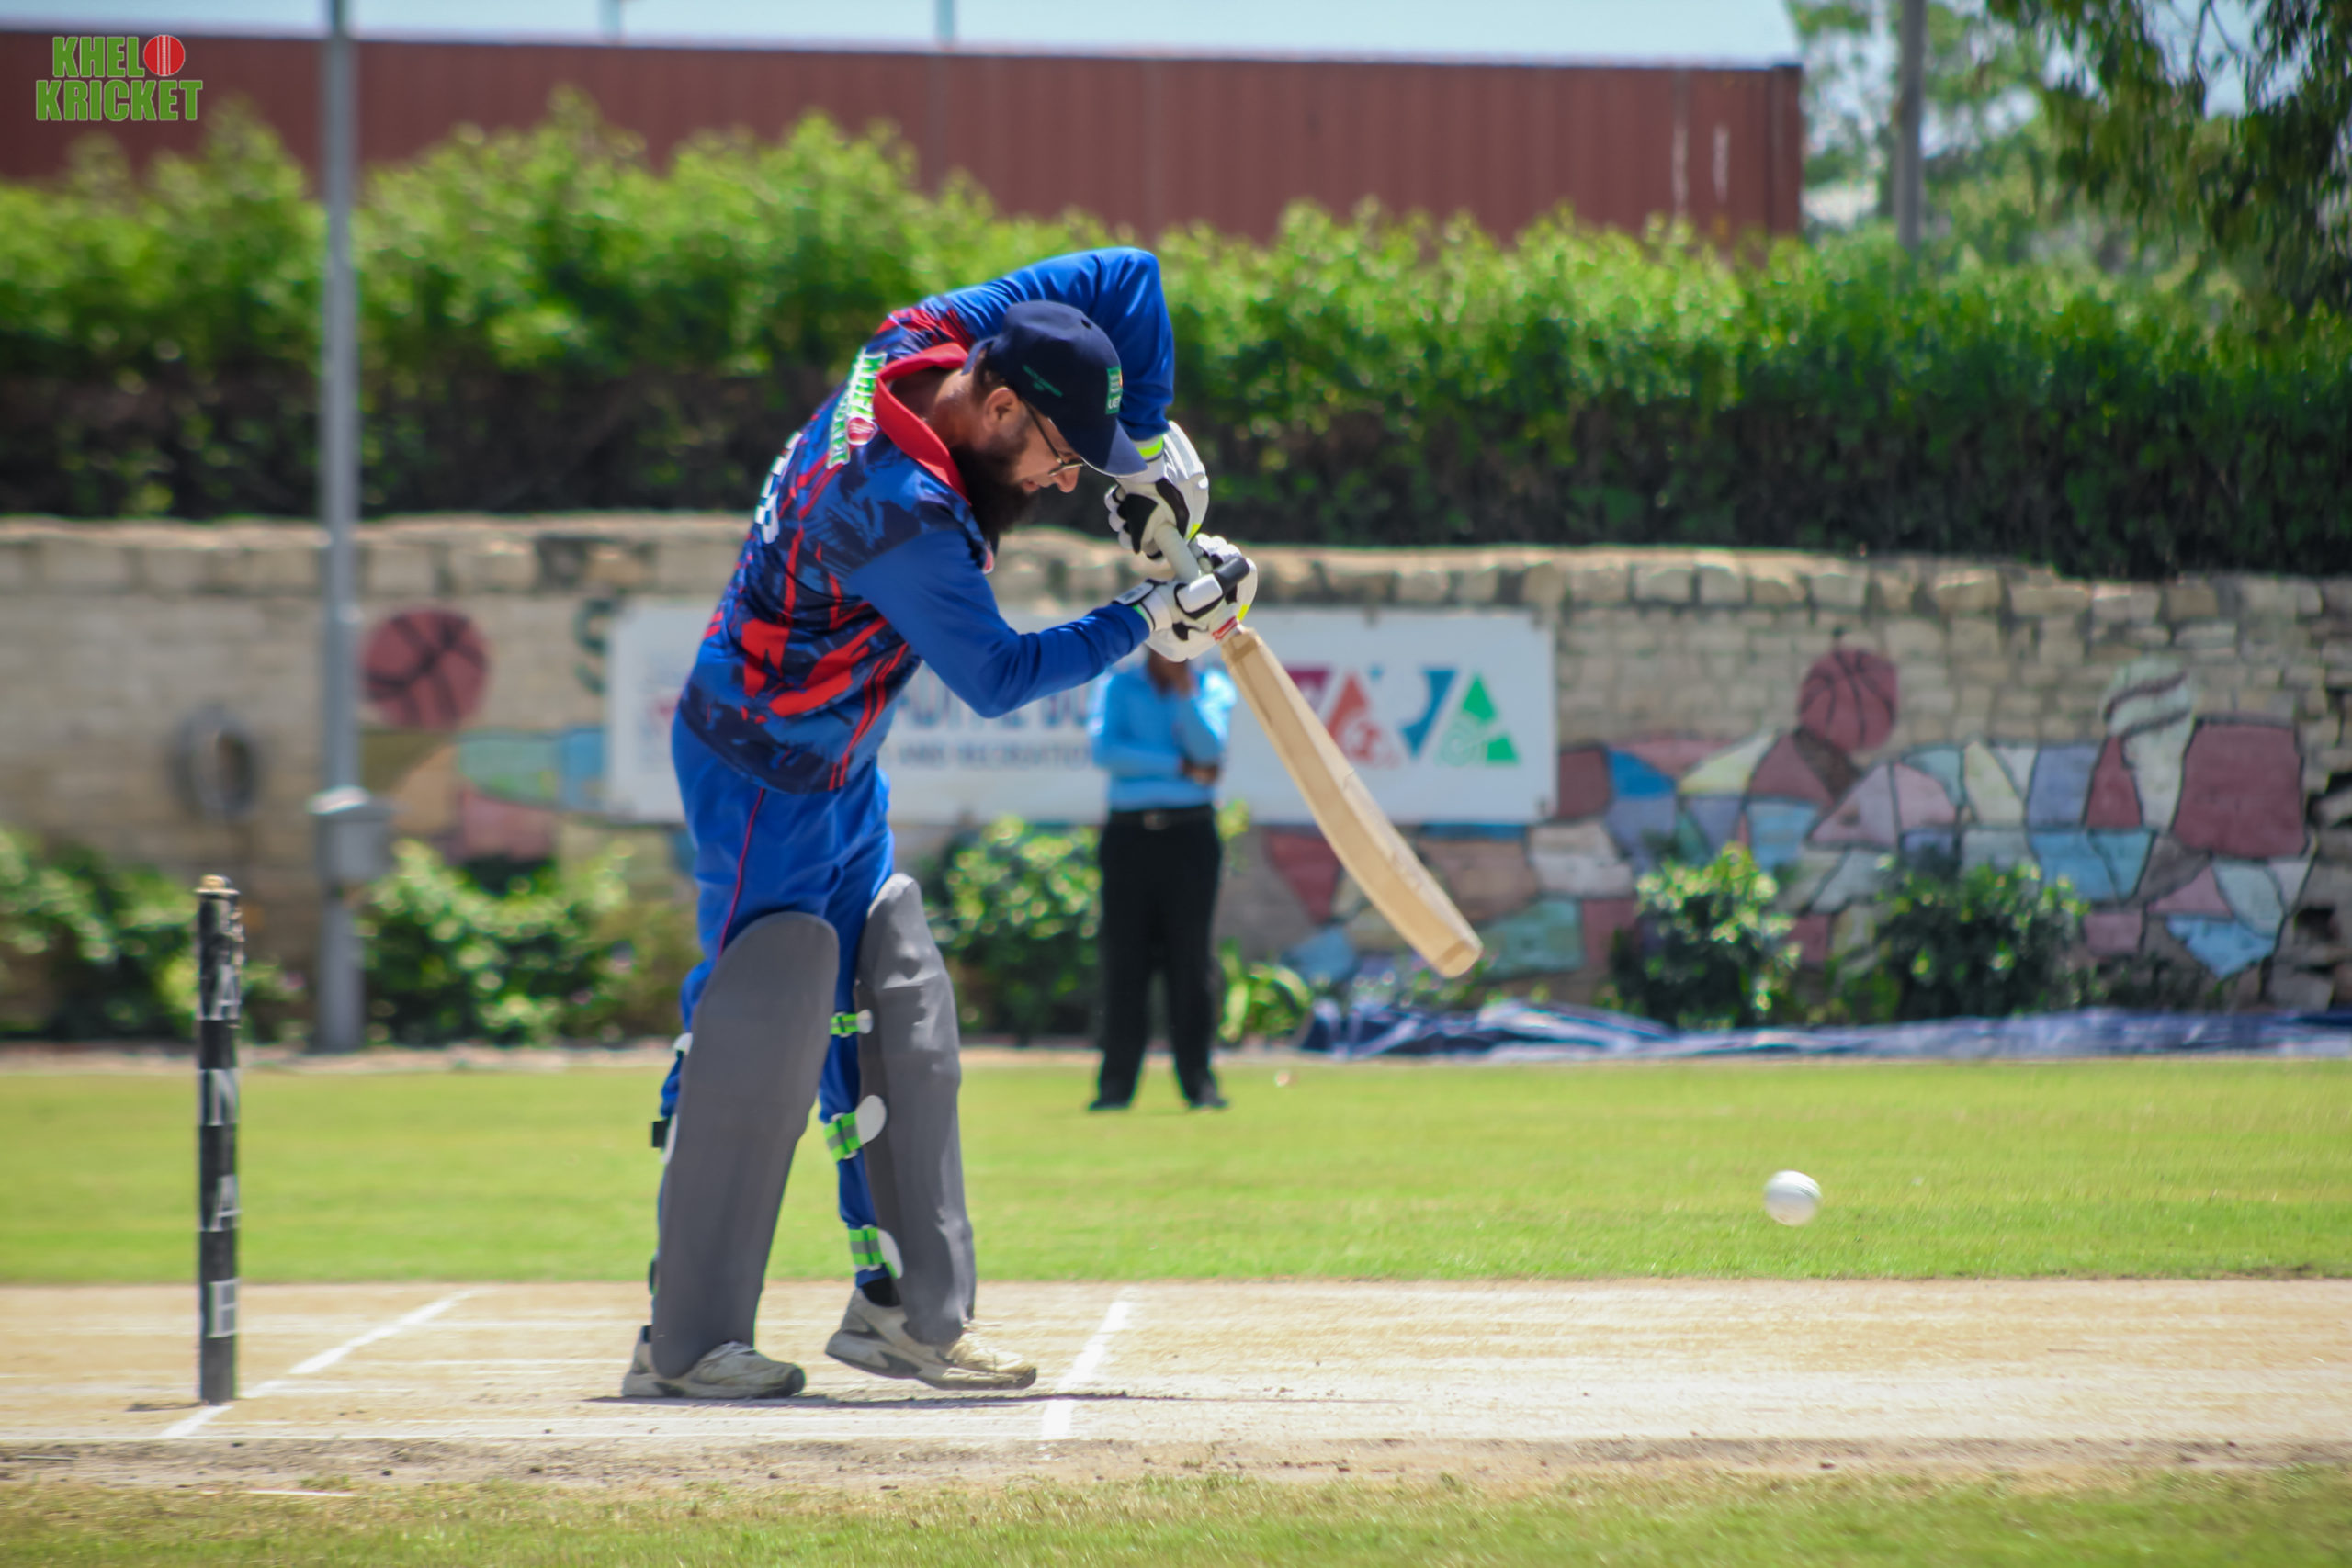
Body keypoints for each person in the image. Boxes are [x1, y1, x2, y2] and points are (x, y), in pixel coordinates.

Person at [621, 249, 1255, 1400]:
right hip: (757, 765)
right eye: (1060, 456)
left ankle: (902, 1313)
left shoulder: (923, 336)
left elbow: (1129, 276)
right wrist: (1148, 614)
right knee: (759, 1011)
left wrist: (1141, 456)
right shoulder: (896, 509)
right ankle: (682, 1337)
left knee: (891, 1000)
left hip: (835, 761)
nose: (1062, 484)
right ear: (999, 407)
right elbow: (998, 676)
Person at [1087, 649, 1238, 1111]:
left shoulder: (1211, 687)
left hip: (1190, 834)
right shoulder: (1117, 686)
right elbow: (1106, 751)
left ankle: (1199, 1083)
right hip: (1130, 834)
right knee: (1124, 961)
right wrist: (1179, 766)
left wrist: (1185, 692)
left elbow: (1209, 750)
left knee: (1190, 961)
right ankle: (1115, 1087)